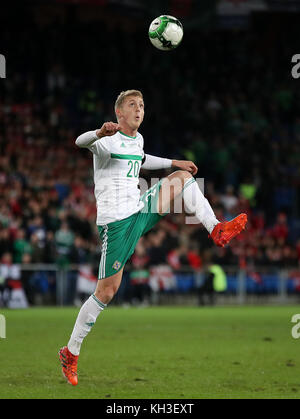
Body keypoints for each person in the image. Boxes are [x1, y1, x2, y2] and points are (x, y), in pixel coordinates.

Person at [58, 89, 247, 385]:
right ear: (119, 112)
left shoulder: (138, 140)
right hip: (116, 224)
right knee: (106, 292)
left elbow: (143, 158)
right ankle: (71, 351)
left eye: (142, 105)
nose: (139, 109)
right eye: (132, 105)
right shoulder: (107, 139)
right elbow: (79, 142)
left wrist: (175, 163)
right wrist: (98, 131)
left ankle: (216, 228)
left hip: (139, 207)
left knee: (184, 178)